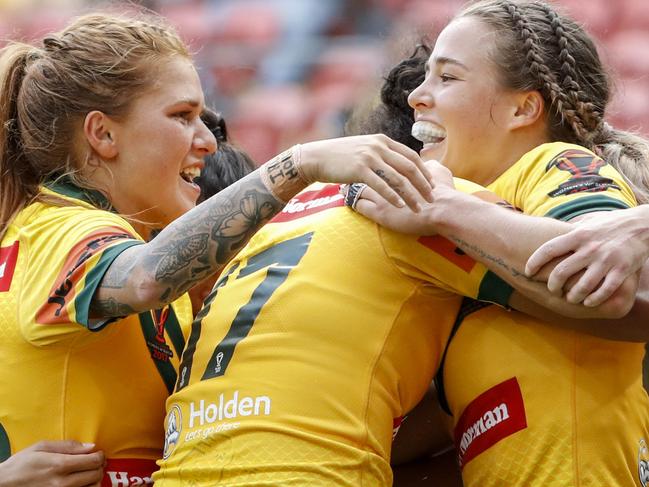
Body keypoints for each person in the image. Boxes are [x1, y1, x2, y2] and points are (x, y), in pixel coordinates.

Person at [0, 11, 435, 486]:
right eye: (181, 117)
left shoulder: (75, 239)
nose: (208, 141)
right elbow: (147, 278)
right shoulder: (57, 228)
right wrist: (297, 165)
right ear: (102, 134)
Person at [350, 1, 649, 485]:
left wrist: (443, 207)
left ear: (523, 108)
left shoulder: (554, 164)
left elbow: (616, 281)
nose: (417, 98)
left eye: (447, 78)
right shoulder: (466, 246)